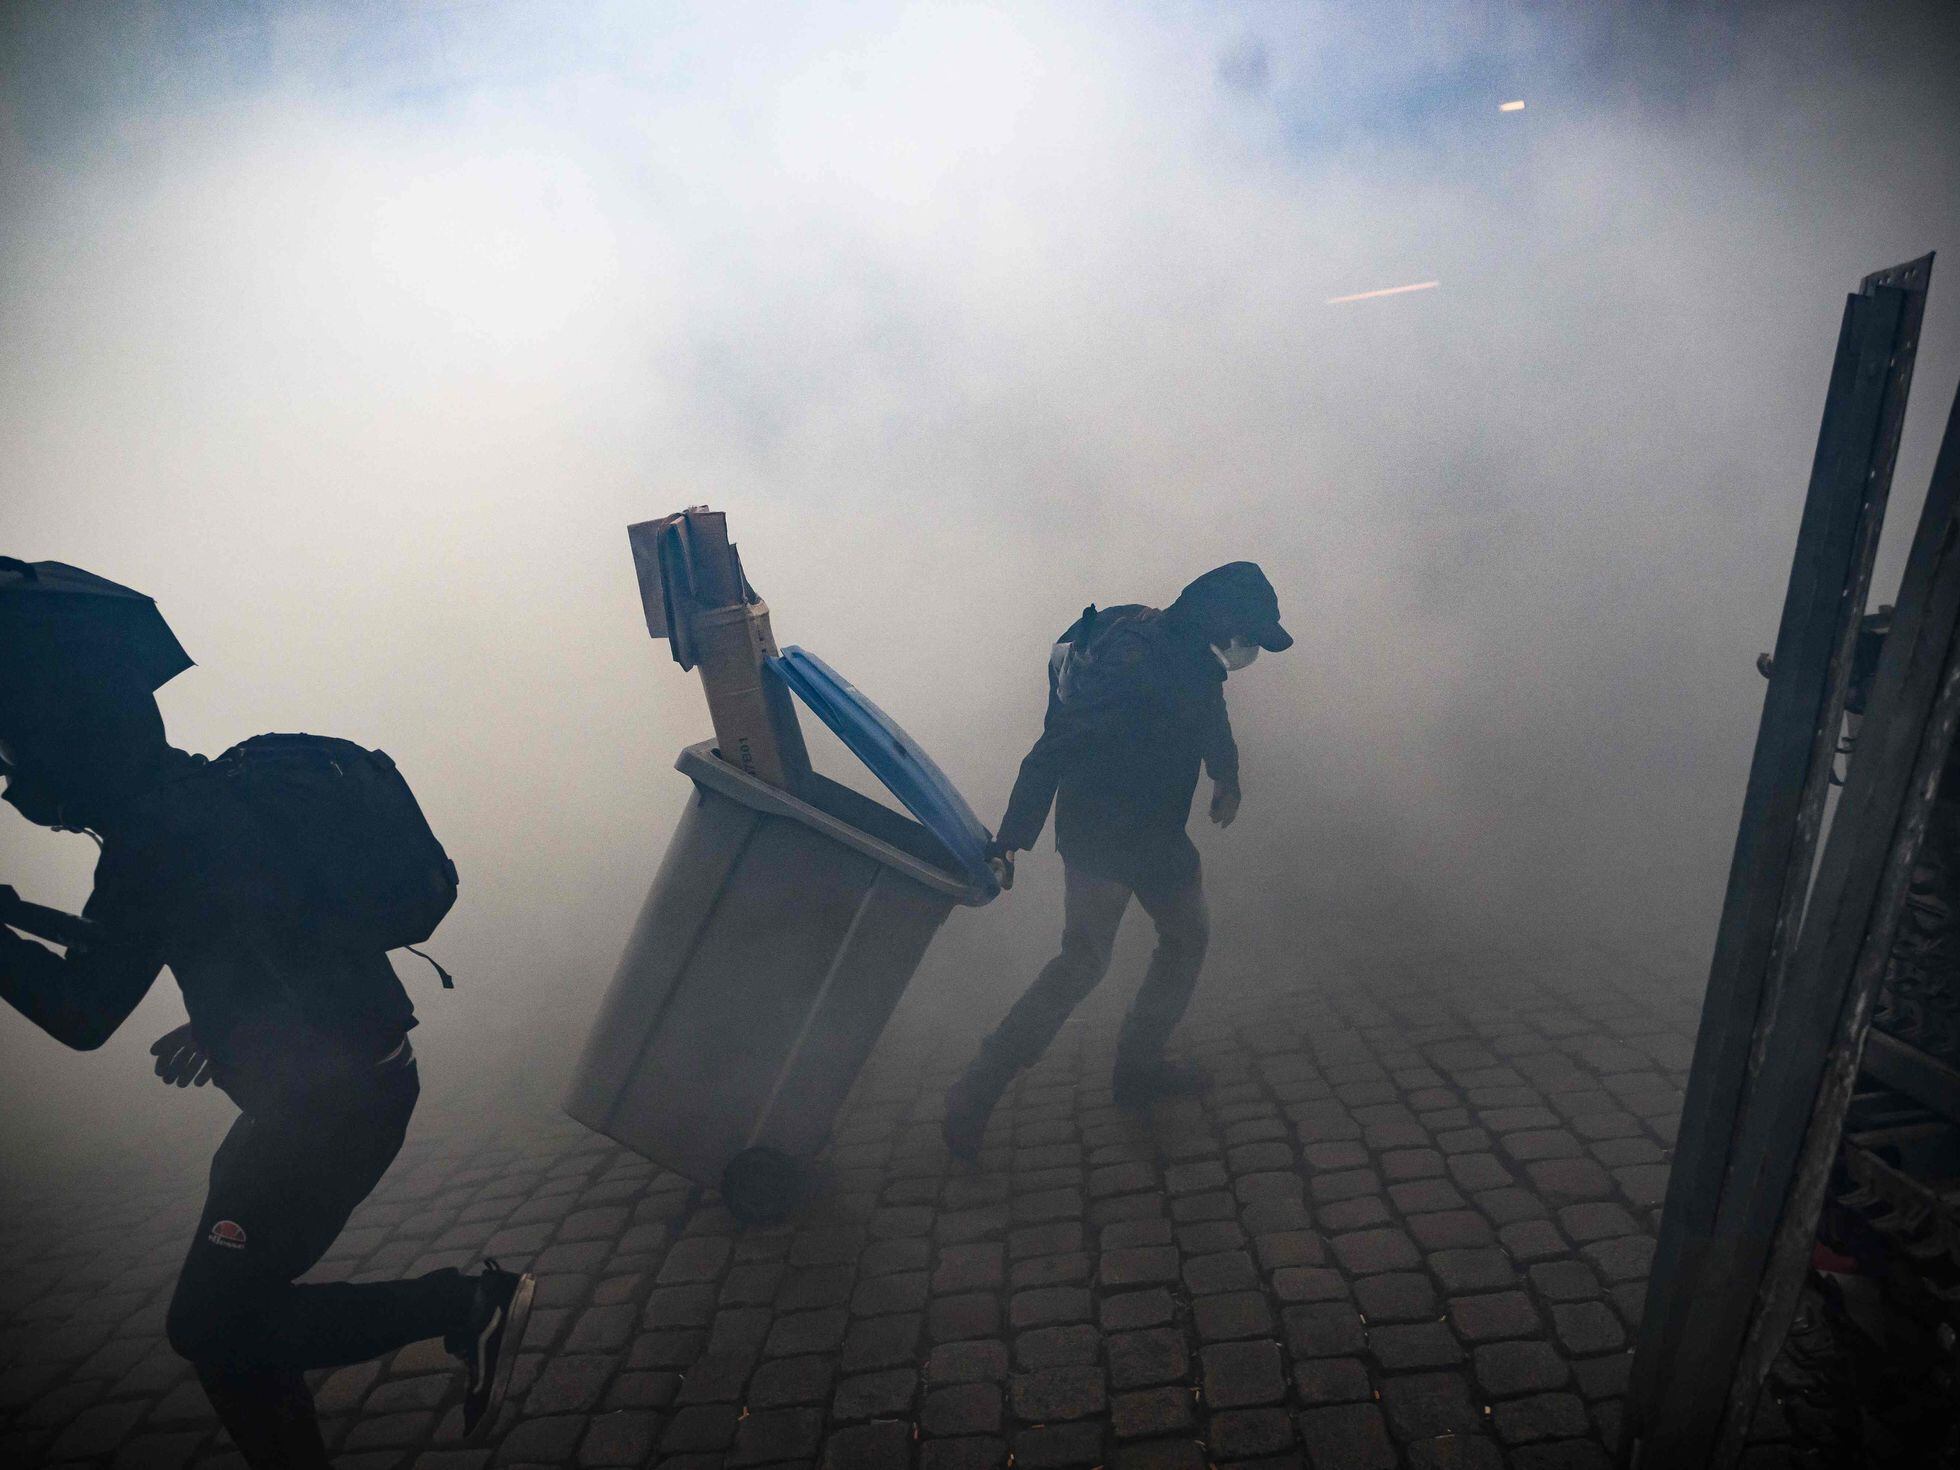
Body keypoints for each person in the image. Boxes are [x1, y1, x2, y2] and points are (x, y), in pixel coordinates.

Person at [0, 669, 530, 1468]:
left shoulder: (151, 841)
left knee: (209, 1325)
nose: (12, 780)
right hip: (349, 1082)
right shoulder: (205, 798)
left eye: (17, 757)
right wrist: (220, 1022)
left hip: (331, 1112)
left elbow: (84, 1010)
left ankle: (468, 1303)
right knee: (231, 1321)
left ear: (69, 755)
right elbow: (255, 933)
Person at [943, 561, 1292, 1158]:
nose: (1250, 651)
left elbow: (1211, 714)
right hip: (1100, 835)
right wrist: (1010, 840)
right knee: (1082, 962)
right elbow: (1052, 751)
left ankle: (1138, 1068)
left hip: (1158, 834)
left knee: (1187, 939)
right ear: (1224, 623)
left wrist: (1225, 776)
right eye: (1251, 637)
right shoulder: (1131, 665)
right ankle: (974, 1092)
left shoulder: (1193, 659)